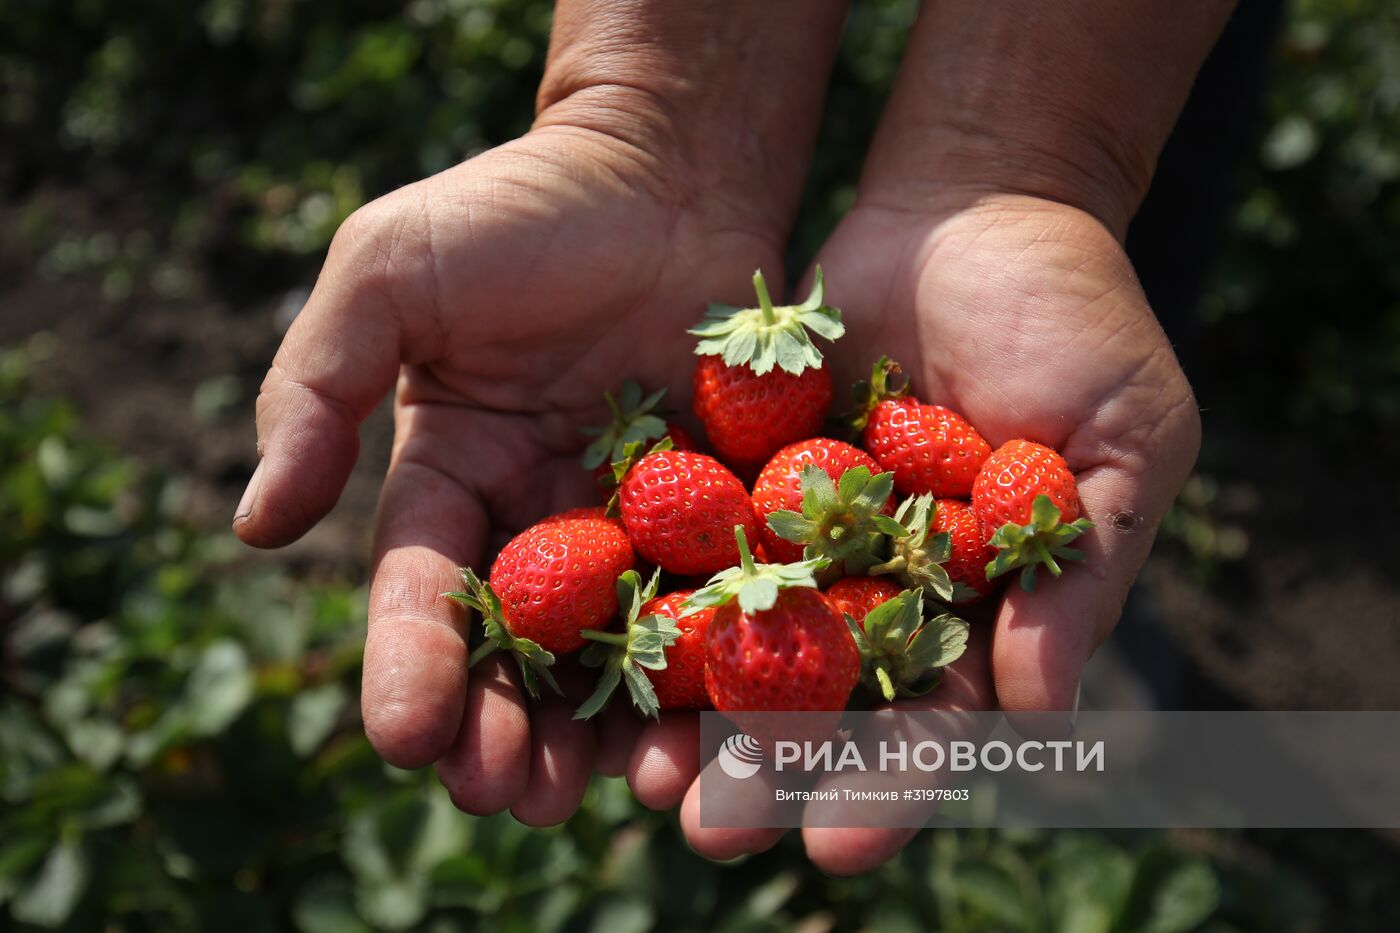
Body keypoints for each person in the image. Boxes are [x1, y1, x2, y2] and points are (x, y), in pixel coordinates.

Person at [232, 0, 1224, 875]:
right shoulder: (769, 522)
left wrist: (1036, 175)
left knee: (1152, 209)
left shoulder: (799, 505)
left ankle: (1090, 588)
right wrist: (644, 119)